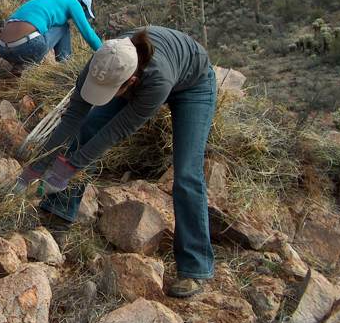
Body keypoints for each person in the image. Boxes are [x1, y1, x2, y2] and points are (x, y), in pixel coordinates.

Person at [14, 26, 217, 298]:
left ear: (130, 82)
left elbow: (114, 132)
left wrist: (67, 170)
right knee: (86, 128)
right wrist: (34, 169)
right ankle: (57, 218)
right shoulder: (103, 61)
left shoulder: (155, 81)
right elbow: (72, 119)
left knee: (186, 175)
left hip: (193, 86)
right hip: (144, 74)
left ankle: (194, 268)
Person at [0, 0, 101, 66]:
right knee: (64, 27)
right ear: (81, 3)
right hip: (27, 47)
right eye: (83, 10)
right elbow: (89, 35)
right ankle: (65, 65)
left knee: (59, 25)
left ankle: (20, 66)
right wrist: (105, 52)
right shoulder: (73, 1)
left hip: (2, 49)